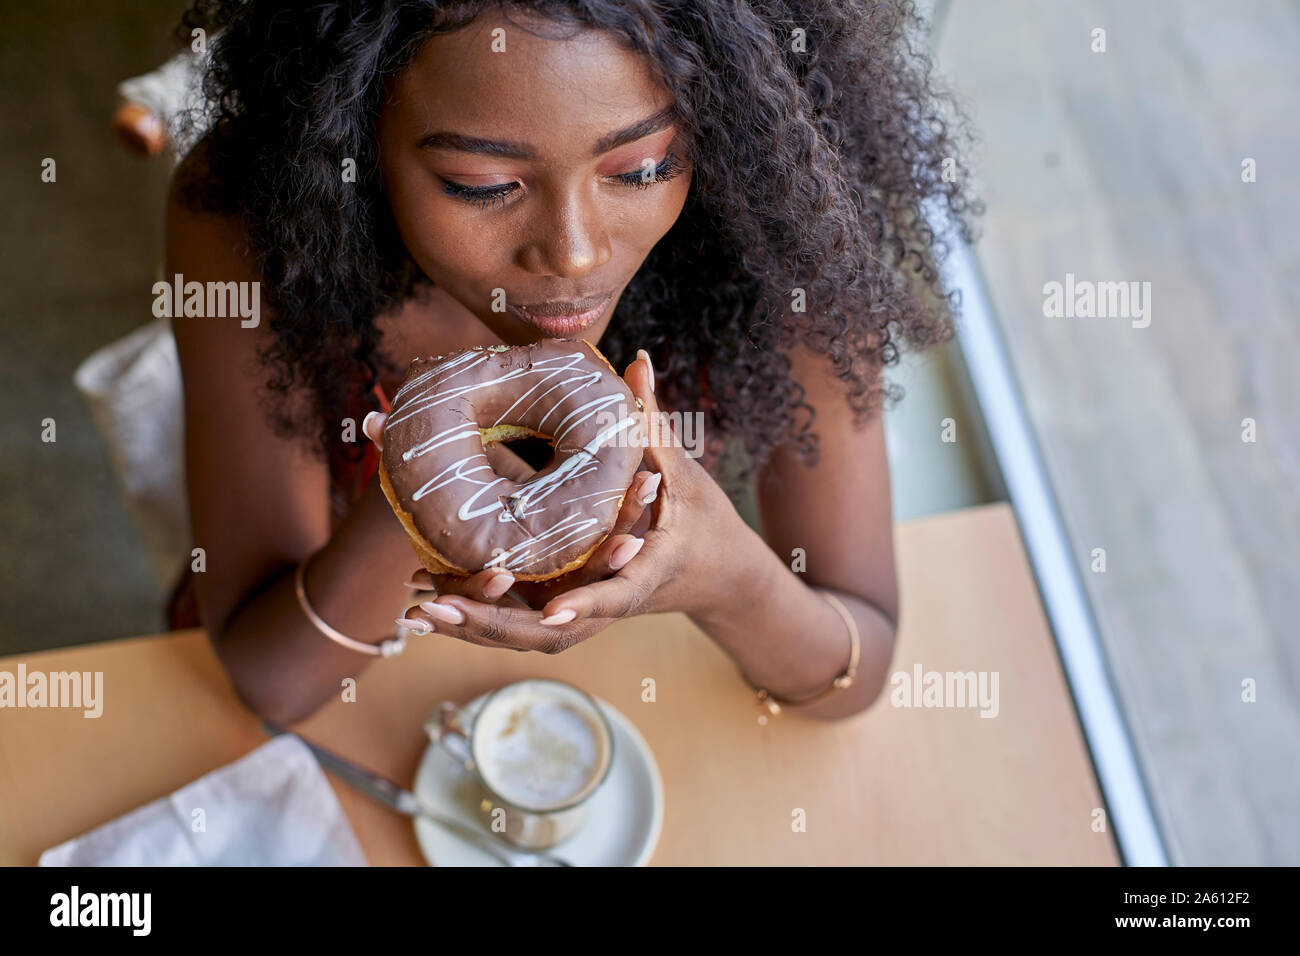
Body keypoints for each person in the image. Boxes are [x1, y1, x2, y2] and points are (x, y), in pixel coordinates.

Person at [164, 0, 980, 725]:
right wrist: (424, 494)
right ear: (351, 132)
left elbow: (858, 668)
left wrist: (727, 577)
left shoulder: (784, 235)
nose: (572, 253)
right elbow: (269, 680)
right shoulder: (252, 227)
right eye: (480, 185)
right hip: (368, 708)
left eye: (640, 168)